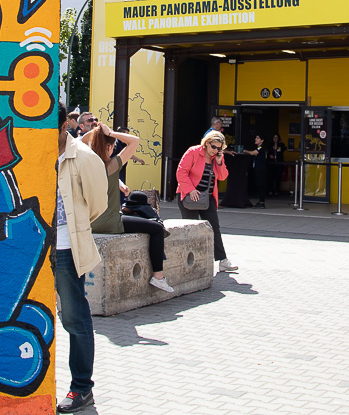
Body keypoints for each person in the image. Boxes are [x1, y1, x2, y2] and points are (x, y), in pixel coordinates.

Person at [55, 103, 109, 413]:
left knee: (75, 318)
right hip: (34, 247)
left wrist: (71, 227)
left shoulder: (84, 158)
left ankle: (81, 387)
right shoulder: (30, 150)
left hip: (65, 249)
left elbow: (97, 204)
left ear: (64, 125)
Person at [87, 123, 174, 292]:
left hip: (89, 223)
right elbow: (134, 141)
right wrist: (110, 132)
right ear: (109, 146)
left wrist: (95, 132)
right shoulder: (111, 164)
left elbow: (79, 140)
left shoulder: (86, 165)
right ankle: (158, 276)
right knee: (156, 228)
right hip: (110, 223)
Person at [177, 130, 237, 272]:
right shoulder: (193, 151)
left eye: (219, 148)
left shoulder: (217, 158)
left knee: (214, 228)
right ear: (206, 143)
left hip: (207, 197)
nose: (215, 150)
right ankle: (191, 261)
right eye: (213, 147)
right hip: (190, 196)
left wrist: (220, 162)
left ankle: (222, 260)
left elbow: (223, 177)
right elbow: (181, 172)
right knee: (191, 228)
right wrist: (190, 190)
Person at [242, 134, 268, 207]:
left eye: (257, 138)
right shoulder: (258, 147)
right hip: (257, 168)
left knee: (261, 184)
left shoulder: (261, 147)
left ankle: (262, 202)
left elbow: (254, 152)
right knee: (258, 184)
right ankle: (260, 201)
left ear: (262, 140)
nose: (255, 139)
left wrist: (245, 151)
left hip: (261, 169)